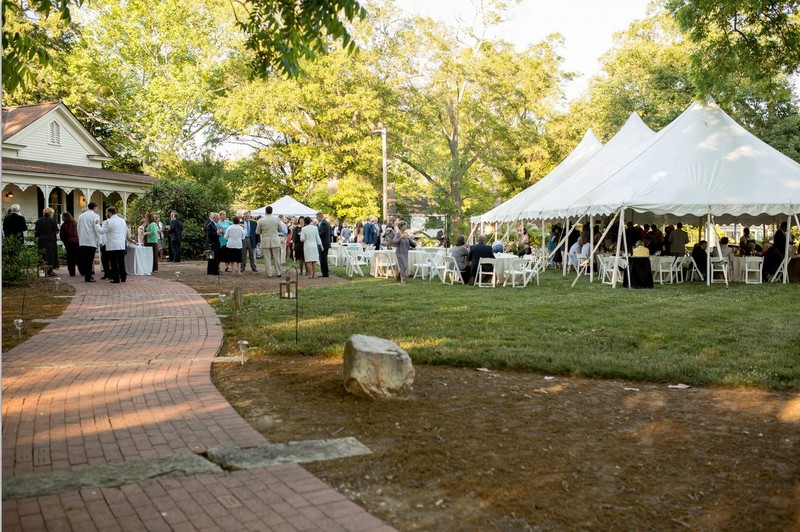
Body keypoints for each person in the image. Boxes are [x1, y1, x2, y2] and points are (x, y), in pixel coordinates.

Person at [77, 202, 102, 282]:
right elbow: (96, 228)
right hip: (91, 240)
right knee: (90, 259)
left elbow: (78, 228)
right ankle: (88, 276)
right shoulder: (95, 216)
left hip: (82, 240)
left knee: (84, 259)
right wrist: (100, 239)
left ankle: (86, 274)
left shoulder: (81, 216)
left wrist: (80, 237)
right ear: (95, 207)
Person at [102, 206, 127, 283]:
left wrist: (96, 225)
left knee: (114, 262)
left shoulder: (108, 221)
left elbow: (102, 231)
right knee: (121, 261)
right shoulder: (122, 220)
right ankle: (123, 277)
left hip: (112, 244)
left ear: (109, 212)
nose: (106, 214)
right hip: (121, 243)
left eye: (107, 212)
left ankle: (116, 278)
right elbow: (124, 231)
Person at [256, 205, 282, 277]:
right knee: (276, 257)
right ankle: (278, 272)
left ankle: (269, 273)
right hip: (275, 239)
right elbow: (280, 230)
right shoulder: (277, 219)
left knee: (267, 258)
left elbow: (257, 231)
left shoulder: (261, 220)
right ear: (272, 211)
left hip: (265, 240)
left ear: (265, 211)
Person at [35, 207, 59, 276]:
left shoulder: (39, 220)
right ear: (51, 213)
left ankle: (41, 272)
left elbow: (36, 231)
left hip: (41, 240)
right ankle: (50, 271)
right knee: (50, 256)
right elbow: (56, 230)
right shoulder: (52, 221)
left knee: (42, 256)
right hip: (50, 241)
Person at [59, 212, 80, 276]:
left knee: (70, 258)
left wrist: (65, 241)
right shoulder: (76, 224)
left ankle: (72, 272)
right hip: (77, 242)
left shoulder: (64, 225)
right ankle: (82, 271)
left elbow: (62, 235)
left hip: (69, 242)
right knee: (79, 257)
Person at [316, 211, 331, 277]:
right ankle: (324, 272)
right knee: (322, 258)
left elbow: (323, 233)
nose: (317, 219)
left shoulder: (324, 223)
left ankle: (325, 273)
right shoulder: (322, 223)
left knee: (323, 258)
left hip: (324, 243)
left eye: (317, 217)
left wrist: (316, 234)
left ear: (320, 216)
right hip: (323, 243)